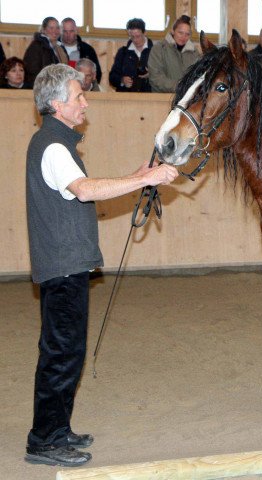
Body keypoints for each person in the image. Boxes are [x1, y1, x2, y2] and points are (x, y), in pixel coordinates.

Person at [24, 64, 178, 467]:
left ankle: (56, 429)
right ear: (57, 103)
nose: (84, 103)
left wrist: (138, 176)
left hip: (65, 267)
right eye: (78, 96)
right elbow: (85, 190)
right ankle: (43, 441)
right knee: (61, 354)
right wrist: (151, 178)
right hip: (62, 267)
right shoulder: (54, 147)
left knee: (67, 352)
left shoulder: (56, 143)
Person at [147, 15, 200, 93]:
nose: (183, 37)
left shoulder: (194, 53)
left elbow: (198, 76)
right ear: (172, 31)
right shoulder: (159, 48)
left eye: (187, 34)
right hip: (161, 98)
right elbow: (155, 77)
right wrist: (179, 86)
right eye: (180, 33)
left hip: (187, 99)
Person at [109, 18, 153, 92]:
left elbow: (164, 75)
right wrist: (122, 80)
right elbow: (112, 77)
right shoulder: (123, 52)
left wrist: (151, 75)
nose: (135, 40)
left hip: (149, 96)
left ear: (145, 33)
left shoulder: (155, 52)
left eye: (138, 36)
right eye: (132, 36)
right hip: (125, 97)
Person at [23, 17, 69, 85]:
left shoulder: (60, 47)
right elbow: (31, 71)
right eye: (51, 28)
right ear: (44, 30)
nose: (55, 31)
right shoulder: (36, 46)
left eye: (57, 28)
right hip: (43, 88)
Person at [60, 17, 102, 83]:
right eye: (65, 31)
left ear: (76, 31)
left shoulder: (87, 50)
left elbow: (97, 74)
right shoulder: (54, 49)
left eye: (71, 31)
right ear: (60, 31)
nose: (68, 35)